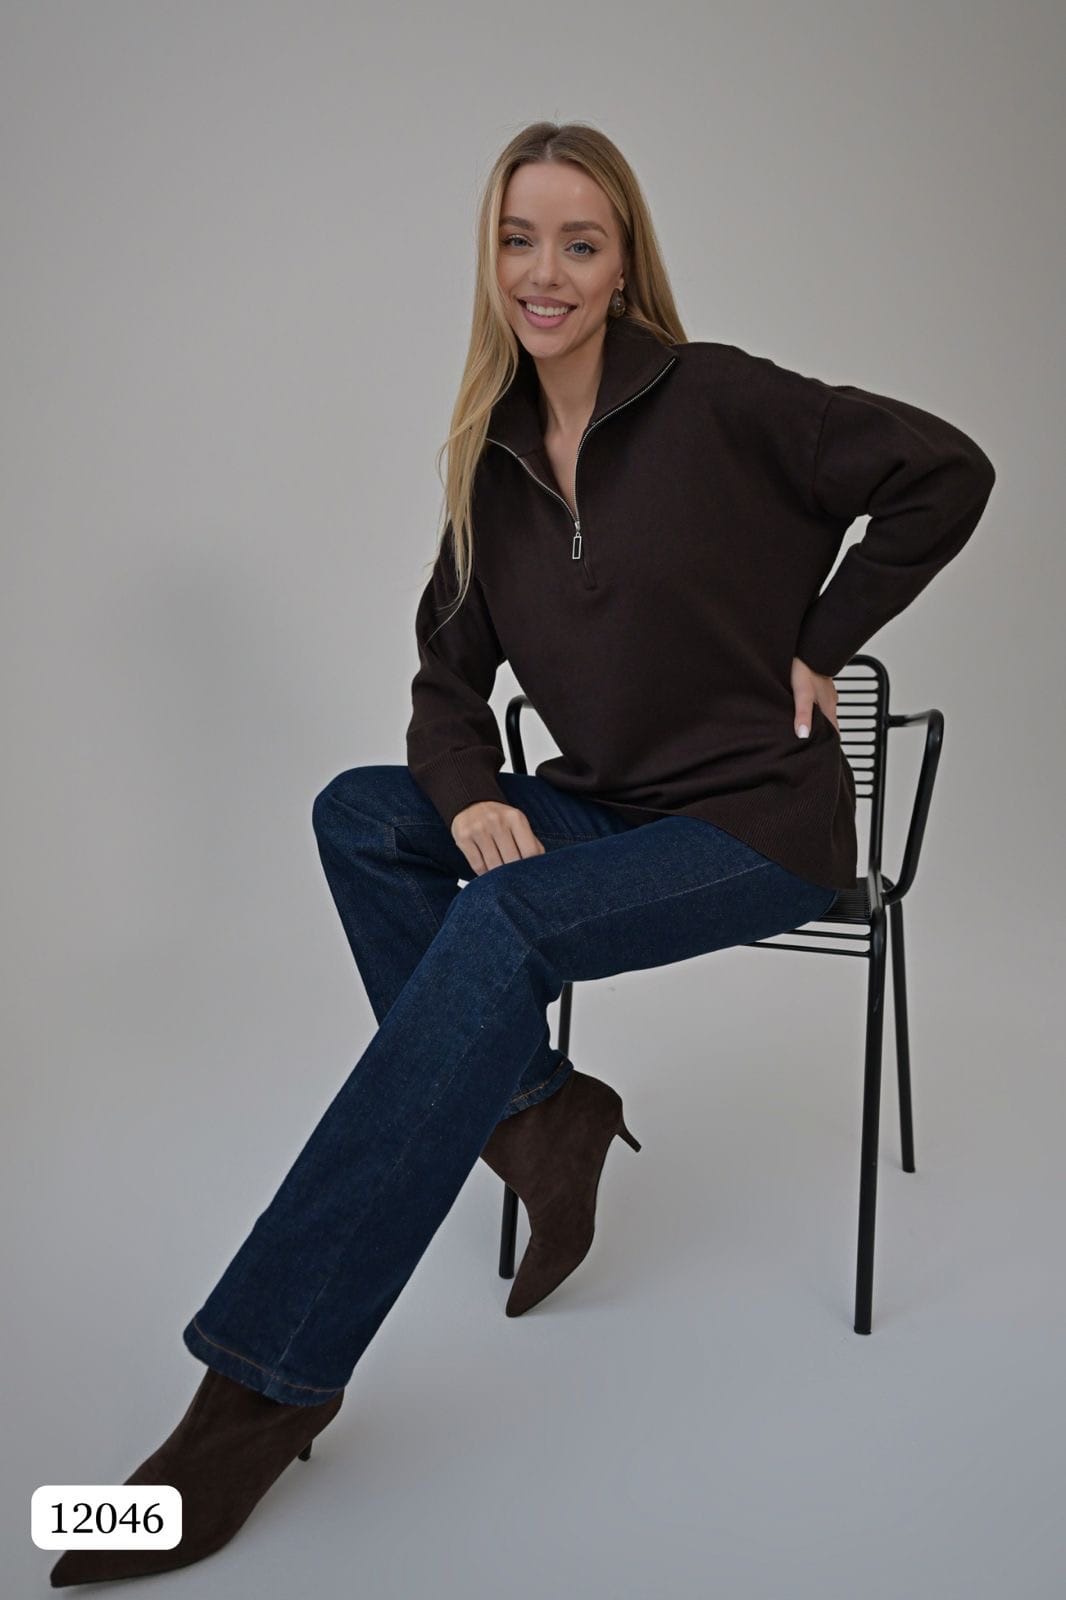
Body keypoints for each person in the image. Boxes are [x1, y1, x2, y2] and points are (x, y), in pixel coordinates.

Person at [50, 120, 995, 1587]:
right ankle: (540, 1112)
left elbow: (945, 469)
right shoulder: (487, 465)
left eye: (577, 243)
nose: (542, 272)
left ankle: (264, 1383)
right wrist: (467, 793)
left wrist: (825, 637)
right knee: (361, 812)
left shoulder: (721, 399)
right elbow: (444, 687)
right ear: (489, 261)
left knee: (503, 928)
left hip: (756, 827)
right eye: (516, 240)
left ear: (621, 268)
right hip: (605, 807)